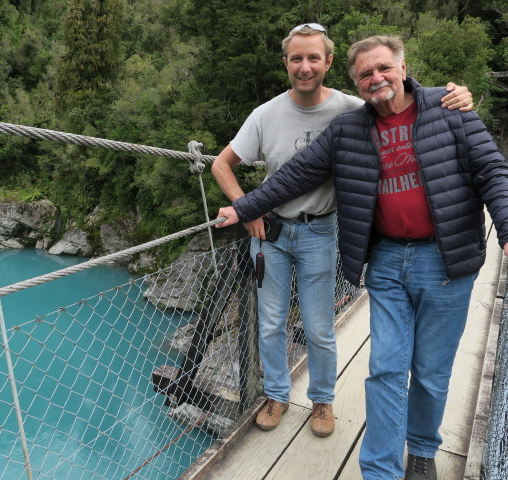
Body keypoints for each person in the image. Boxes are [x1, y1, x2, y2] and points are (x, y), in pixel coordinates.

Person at [215, 35, 508, 480]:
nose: (377, 78)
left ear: (403, 68)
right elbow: (296, 174)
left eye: (383, 68)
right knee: (386, 367)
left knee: (430, 373)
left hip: (447, 262)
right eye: (366, 74)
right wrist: (243, 207)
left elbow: (492, 171)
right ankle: (380, 471)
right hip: (387, 260)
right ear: (356, 82)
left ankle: (424, 450)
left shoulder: (451, 110)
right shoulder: (348, 129)